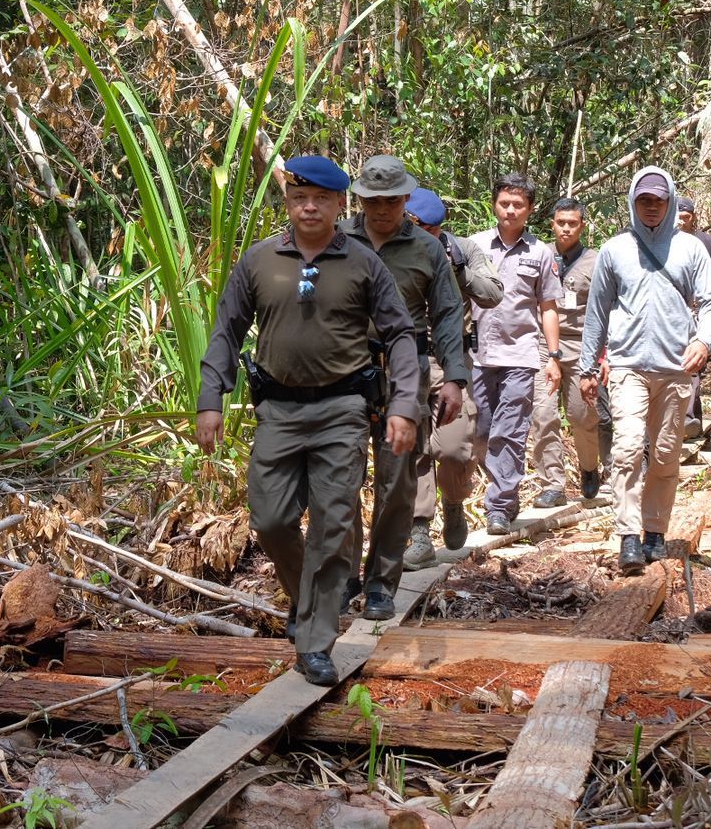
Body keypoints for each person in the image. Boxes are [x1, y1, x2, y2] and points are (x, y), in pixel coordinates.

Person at [196, 156, 421, 686]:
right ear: (288, 202)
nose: (310, 207)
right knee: (270, 520)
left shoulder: (365, 264)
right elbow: (227, 330)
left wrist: (406, 406)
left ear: (341, 204)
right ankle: (307, 603)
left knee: (333, 520)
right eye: (300, 198)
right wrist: (211, 398)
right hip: (277, 410)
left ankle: (317, 639)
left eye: (321, 198)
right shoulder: (259, 261)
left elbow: (400, 336)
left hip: (343, 410)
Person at [338, 157, 468, 619]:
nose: (382, 209)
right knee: (342, 477)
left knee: (396, 480)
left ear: (405, 200)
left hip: (405, 368)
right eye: (373, 200)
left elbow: (448, 315)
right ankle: (344, 574)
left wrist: (454, 377)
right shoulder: (337, 241)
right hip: (346, 369)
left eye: (391, 200)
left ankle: (381, 582)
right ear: (359, 199)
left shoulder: (427, 250)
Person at [579, 168, 711, 575]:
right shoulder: (615, 250)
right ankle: (628, 536)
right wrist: (588, 367)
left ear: (670, 201)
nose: (651, 206)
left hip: (677, 368)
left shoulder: (691, 249)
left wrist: (704, 340)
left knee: (664, 454)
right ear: (633, 200)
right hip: (627, 366)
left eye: (658, 200)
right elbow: (596, 314)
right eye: (644, 199)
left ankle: (655, 531)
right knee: (626, 448)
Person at [404, 188, 503, 565]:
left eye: (428, 229)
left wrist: (456, 268)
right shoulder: (395, 249)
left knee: (454, 446)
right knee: (416, 449)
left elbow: (493, 293)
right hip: (409, 360)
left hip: (453, 362)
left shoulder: (463, 249)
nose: (421, 235)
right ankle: (419, 532)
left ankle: (454, 501)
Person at [469, 173, 563, 535]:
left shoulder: (540, 252)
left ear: (530, 210)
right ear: (494, 204)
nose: (510, 210)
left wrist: (552, 356)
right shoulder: (473, 246)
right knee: (480, 430)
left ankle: (501, 504)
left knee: (510, 430)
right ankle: (502, 488)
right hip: (477, 354)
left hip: (521, 355)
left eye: (518, 205)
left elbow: (548, 306)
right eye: (504, 203)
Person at [527, 197, 609, 506]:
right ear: (552, 223)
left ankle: (589, 468)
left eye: (572, 223)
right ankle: (553, 484)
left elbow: (607, 307)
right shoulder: (540, 254)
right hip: (541, 344)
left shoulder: (596, 260)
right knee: (543, 414)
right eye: (561, 222)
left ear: (582, 226)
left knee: (581, 414)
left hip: (582, 344)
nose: (566, 228)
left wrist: (604, 355)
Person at [674, 196, 711, 436]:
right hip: (673, 313)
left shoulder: (704, 241)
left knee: (693, 364)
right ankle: (686, 418)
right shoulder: (665, 243)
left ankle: (689, 419)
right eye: (678, 217)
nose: (681, 222)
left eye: (686, 218)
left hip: (699, 312)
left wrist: (705, 291)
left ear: (693, 217)